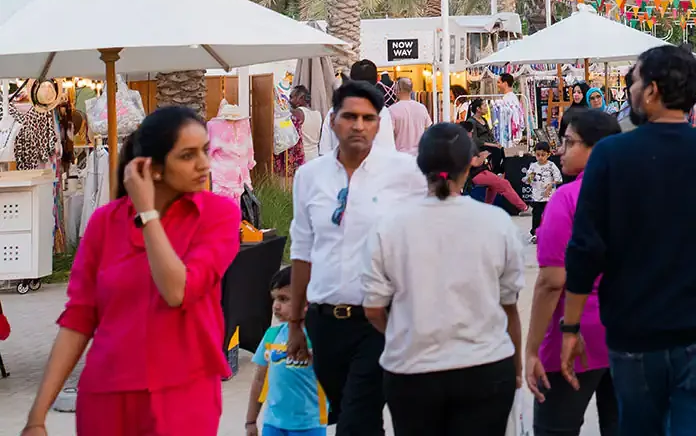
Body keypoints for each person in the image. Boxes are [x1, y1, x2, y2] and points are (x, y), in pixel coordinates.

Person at [562, 44, 696, 433]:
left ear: (653, 91)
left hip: (635, 333)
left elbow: (585, 249)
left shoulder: (610, 156)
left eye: (634, 81)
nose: (630, 90)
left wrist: (570, 328)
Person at [25, 106, 241, 436]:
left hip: (184, 396)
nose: (204, 164)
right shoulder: (105, 223)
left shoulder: (218, 216)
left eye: (204, 151)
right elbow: (78, 320)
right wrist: (37, 416)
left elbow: (177, 291)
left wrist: (147, 215)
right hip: (106, 396)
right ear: (151, 168)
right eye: (187, 155)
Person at [363, 123, 526, 434]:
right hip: (486, 367)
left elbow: (373, 309)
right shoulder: (496, 223)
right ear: (469, 165)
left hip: (412, 370)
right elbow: (509, 308)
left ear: (420, 165)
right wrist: (516, 367)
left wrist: (405, 332)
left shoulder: (391, 226)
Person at [286, 81, 426, 436]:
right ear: (333, 121)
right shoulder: (309, 177)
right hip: (325, 321)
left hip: (378, 322)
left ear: (379, 124)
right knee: (354, 415)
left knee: (356, 420)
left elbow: (424, 240)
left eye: (368, 118)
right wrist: (295, 324)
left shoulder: (405, 174)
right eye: (350, 116)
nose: (359, 125)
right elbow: (303, 250)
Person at [526, 109, 621, 436]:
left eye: (569, 142)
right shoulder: (641, 194)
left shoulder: (566, 199)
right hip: (635, 331)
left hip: (576, 333)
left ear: (598, 148)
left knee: (556, 428)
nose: (561, 150)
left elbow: (552, 281)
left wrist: (531, 348)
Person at [246, 267, 327, 436]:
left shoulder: (320, 336)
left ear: (307, 301)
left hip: (310, 424)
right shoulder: (272, 335)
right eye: (274, 299)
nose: (276, 306)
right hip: (272, 424)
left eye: (283, 299)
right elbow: (259, 379)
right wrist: (251, 421)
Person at [465, 145, 528, 215]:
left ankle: (487, 209)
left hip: (481, 171)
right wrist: (483, 156)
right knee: (504, 184)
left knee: (493, 187)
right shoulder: (465, 146)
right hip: (475, 174)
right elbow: (475, 163)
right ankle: (524, 208)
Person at [525, 146, 564, 243]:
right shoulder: (533, 166)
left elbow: (559, 179)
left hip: (549, 197)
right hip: (537, 197)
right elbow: (528, 181)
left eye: (543, 155)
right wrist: (530, 177)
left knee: (549, 215)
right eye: (538, 155)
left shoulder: (551, 165)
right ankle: (535, 233)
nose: (540, 157)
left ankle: (551, 232)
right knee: (536, 215)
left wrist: (551, 184)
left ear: (548, 154)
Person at [385, 78, 432, 156]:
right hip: (419, 154)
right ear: (411, 90)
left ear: (397, 89)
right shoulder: (421, 108)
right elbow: (427, 128)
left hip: (400, 154)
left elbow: (389, 134)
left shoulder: (392, 110)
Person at [290, 86, 325, 163]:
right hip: (315, 155)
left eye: (292, 97)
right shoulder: (317, 114)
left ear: (301, 98)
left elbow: (285, 125)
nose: (289, 101)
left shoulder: (298, 112)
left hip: (303, 157)